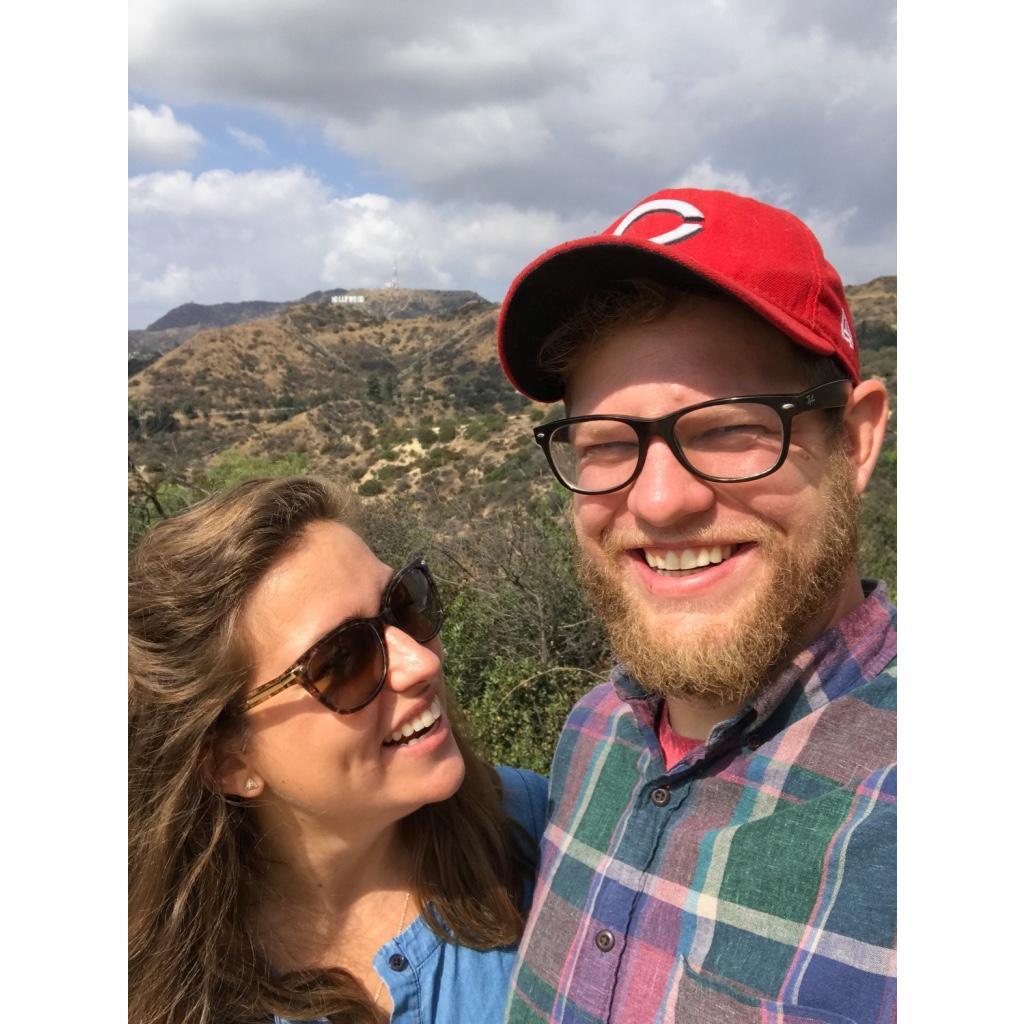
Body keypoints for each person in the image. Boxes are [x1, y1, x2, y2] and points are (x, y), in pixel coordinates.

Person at [495, 188, 895, 1023]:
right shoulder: (595, 730)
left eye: (726, 428)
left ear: (854, 440)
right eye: (607, 443)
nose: (662, 501)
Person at [128, 476, 547, 1024]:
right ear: (229, 761)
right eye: (343, 661)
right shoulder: (159, 992)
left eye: (403, 605)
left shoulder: (540, 830)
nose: (422, 663)